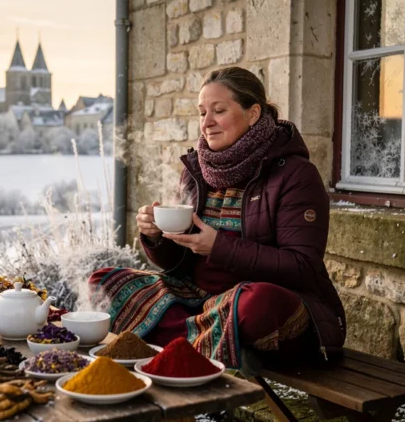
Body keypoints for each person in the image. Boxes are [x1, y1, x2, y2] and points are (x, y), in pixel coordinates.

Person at [89, 67, 346, 371]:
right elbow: (180, 264)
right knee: (104, 282)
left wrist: (219, 247)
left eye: (219, 111)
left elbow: (302, 267)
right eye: (202, 113)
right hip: (199, 300)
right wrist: (157, 237)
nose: (207, 123)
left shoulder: (295, 175)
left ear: (253, 113)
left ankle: (174, 343)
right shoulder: (196, 170)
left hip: (266, 305)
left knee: (257, 304)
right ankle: (197, 342)